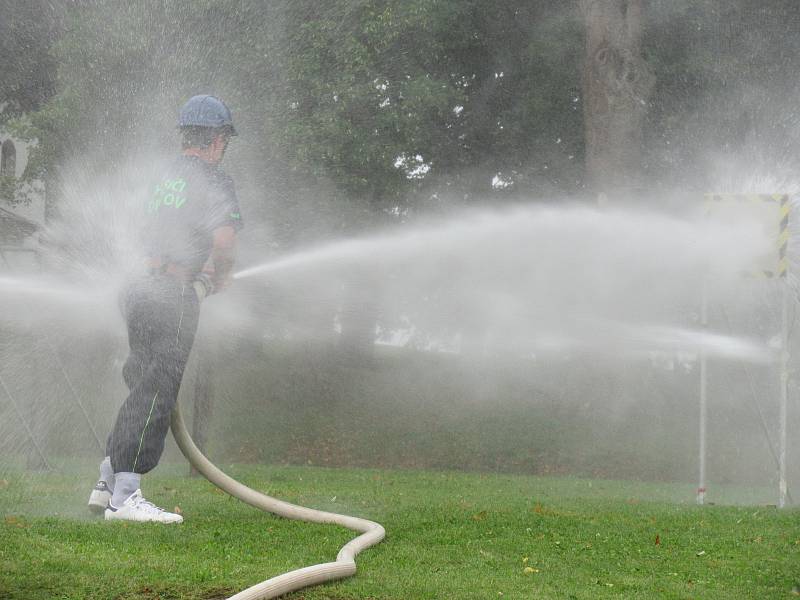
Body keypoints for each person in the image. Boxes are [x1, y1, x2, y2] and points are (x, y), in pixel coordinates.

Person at [87, 95, 243, 523]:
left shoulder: (164, 178)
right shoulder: (213, 178)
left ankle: (106, 482)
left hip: (137, 287)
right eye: (224, 138)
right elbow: (225, 240)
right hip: (171, 293)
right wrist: (221, 275)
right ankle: (126, 497)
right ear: (216, 139)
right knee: (157, 388)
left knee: (141, 383)